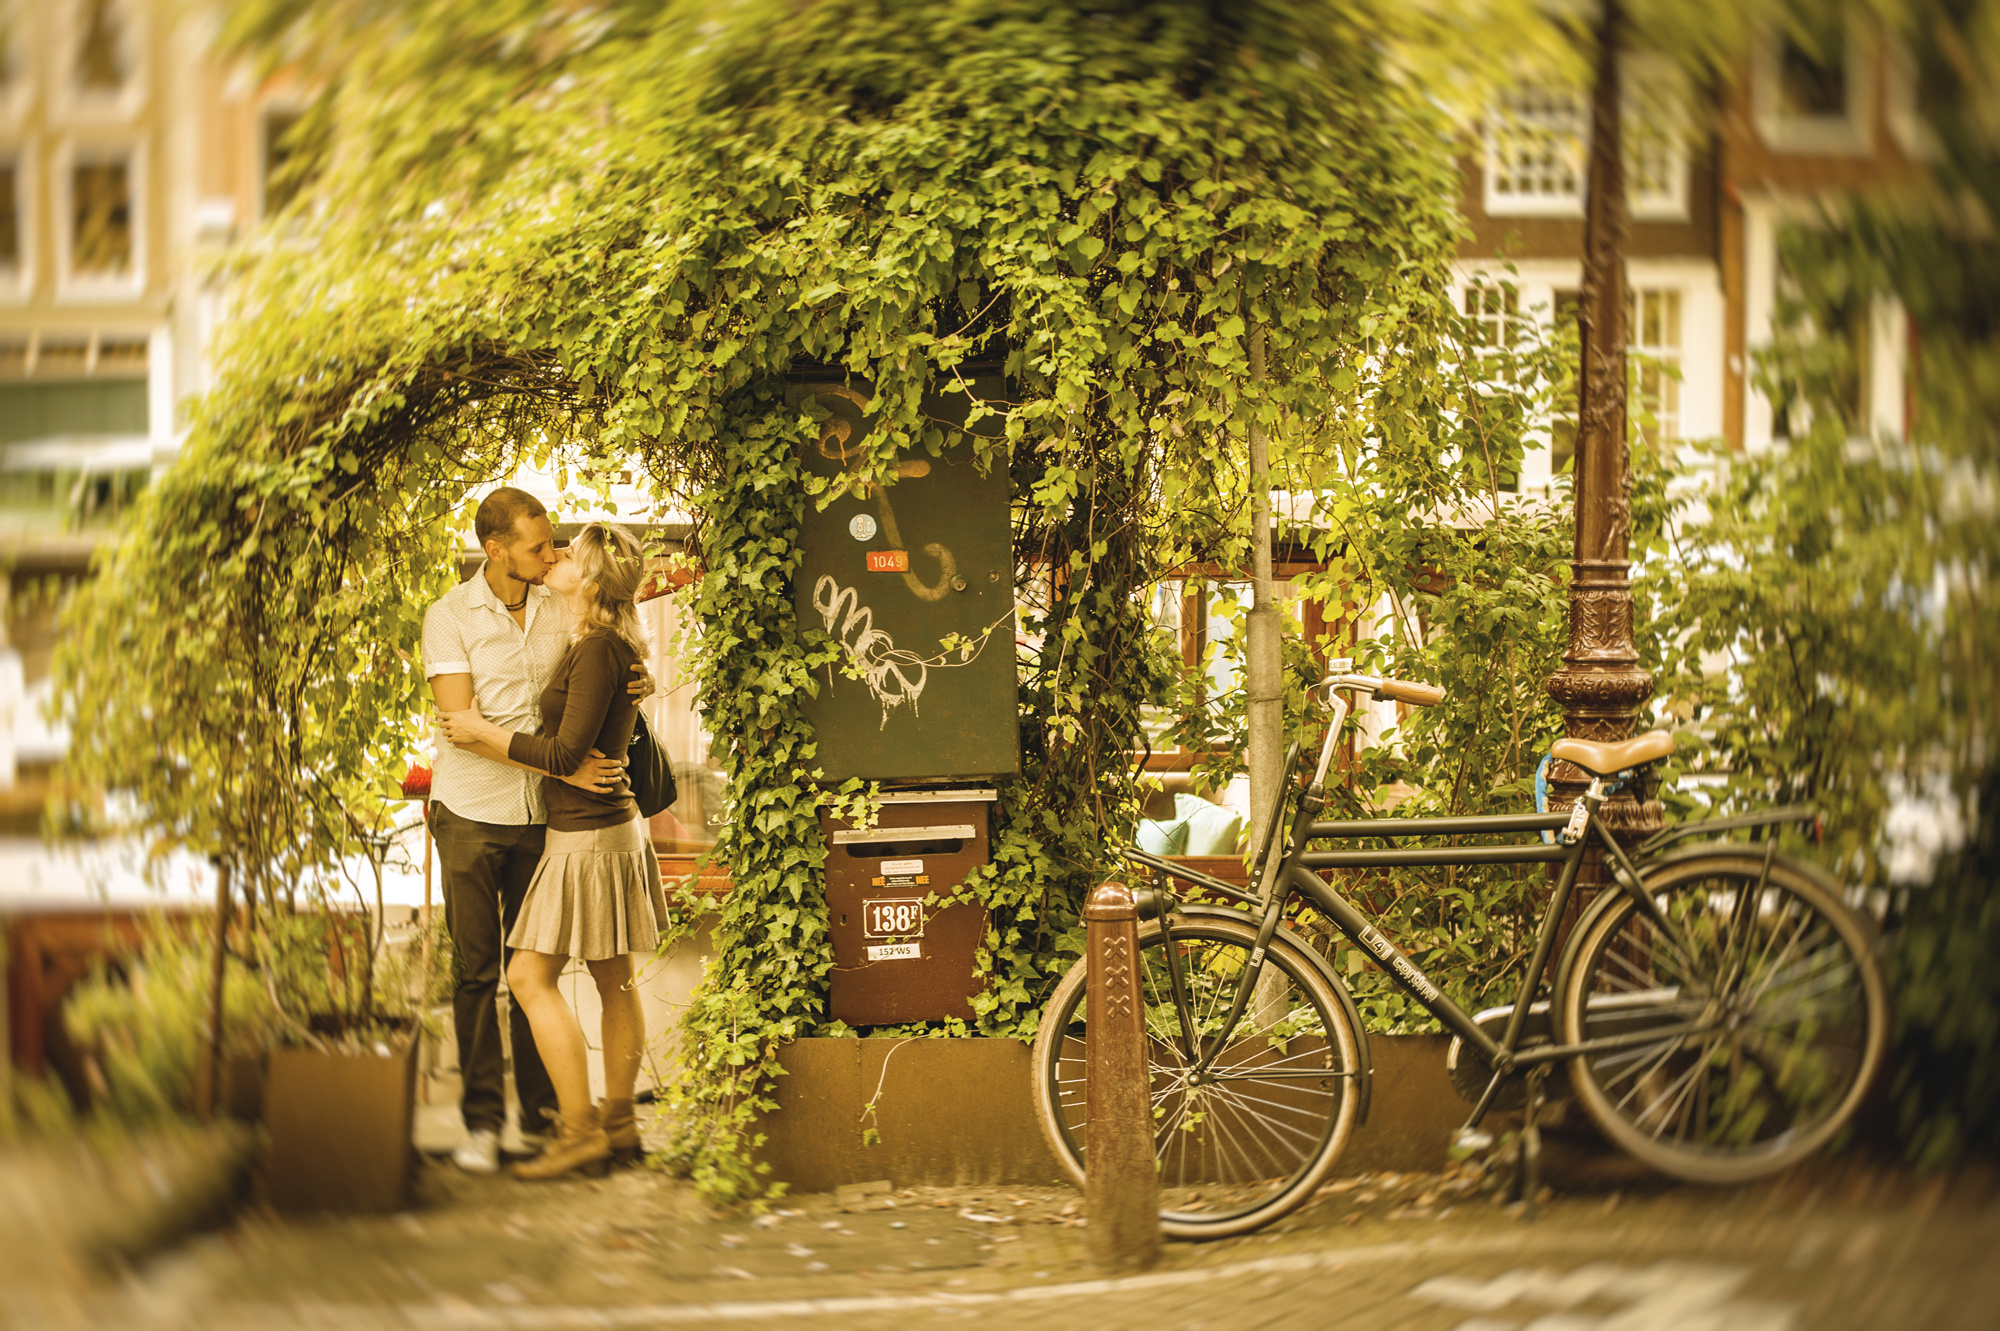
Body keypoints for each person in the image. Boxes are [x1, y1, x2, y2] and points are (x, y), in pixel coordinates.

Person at [440, 522, 670, 1181]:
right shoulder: (605, 641)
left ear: (590, 579)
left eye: (567, 553)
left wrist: (484, 729)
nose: (555, 557)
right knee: (612, 976)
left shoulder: (598, 646)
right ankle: (620, 1126)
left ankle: (578, 1131)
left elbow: (568, 753)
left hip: (587, 836)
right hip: (604, 829)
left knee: (526, 978)